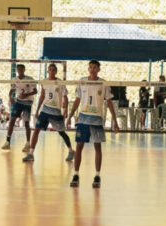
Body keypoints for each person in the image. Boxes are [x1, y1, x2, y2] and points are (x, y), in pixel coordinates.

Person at [66, 59, 119, 189]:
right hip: (83, 119)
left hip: (96, 119)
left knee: (97, 147)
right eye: (90, 67)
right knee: (79, 146)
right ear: (88, 69)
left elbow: (109, 102)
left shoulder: (103, 83)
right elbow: (77, 100)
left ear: (98, 69)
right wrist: (70, 115)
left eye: (95, 67)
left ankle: (97, 175)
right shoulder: (82, 81)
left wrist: (115, 121)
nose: (92, 69)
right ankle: (76, 174)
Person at [25, 62, 74, 163]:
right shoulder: (44, 82)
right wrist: (37, 110)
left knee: (61, 132)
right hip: (45, 110)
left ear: (56, 71)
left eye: (53, 70)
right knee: (36, 130)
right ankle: (31, 153)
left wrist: (66, 110)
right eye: (50, 69)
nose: (51, 71)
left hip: (56, 111)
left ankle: (71, 150)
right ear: (48, 71)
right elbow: (42, 95)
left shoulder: (60, 82)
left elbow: (65, 97)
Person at [3, 64, 36, 152]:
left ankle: (28, 143)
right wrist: (10, 97)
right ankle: (7, 142)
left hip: (27, 102)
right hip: (18, 102)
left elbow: (35, 91)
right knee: (12, 120)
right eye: (18, 69)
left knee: (26, 123)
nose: (20, 71)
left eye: (21, 69)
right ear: (17, 70)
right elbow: (12, 90)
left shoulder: (30, 79)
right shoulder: (15, 79)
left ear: (24, 70)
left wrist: (26, 95)